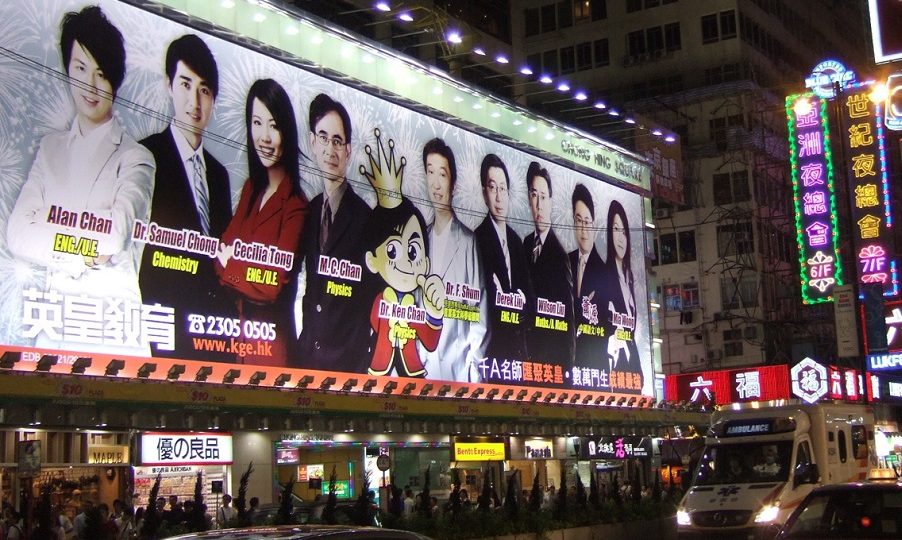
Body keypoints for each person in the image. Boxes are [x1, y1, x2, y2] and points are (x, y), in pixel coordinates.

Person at [7, 5, 154, 355]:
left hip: (111, 328)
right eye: (80, 68)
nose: (90, 85)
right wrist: (79, 255)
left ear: (115, 80)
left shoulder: (135, 157)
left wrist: (50, 226)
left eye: (101, 73)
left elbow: (114, 235)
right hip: (55, 324)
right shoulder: (51, 148)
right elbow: (17, 233)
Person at [139, 34, 235, 361]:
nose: (194, 101)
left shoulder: (219, 175)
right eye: (185, 84)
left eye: (204, 90)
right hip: (163, 330)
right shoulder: (146, 157)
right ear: (169, 85)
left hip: (215, 334)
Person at [215, 79, 308, 366]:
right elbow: (218, 252)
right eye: (257, 123)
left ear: (287, 132)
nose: (264, 137)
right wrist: (243, 266)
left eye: (274, 125)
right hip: (236, 342)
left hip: (273, 351)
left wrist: (232, 266)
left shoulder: (295, 205)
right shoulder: (250, 190)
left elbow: (273, 283)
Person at [359, 130, 444, 377]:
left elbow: (429, 341)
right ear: (372, 260)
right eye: (393, 250)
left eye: (414, 250)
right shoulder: (378, 301)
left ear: (425, 263)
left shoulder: (417, 304)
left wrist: (436, 313)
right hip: (377, 371)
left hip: (414, 375)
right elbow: (374, 324)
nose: (407, 260)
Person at [296, 93, 371, 373]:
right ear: (313, 142)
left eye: (338, 141)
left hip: (347, 365)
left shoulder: (364, 217)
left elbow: (368, 299)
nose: (331, 149)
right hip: (309, 360)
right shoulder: (310, 210)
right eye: (324, 138)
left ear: (348, 150)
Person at [418, 137, 487, 382]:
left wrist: (474, 373)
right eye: (430, 172)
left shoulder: (467, 241)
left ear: (453, 183)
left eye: (443, 174)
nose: (436, 184)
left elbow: (481, 313)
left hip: (459, 372)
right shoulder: (420, 240)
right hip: (422, 371)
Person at [474, 154, 533, 363]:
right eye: (492, 188)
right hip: (491, 357)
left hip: (519, 358)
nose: (499, 197)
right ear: (484, 193)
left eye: (503, 188)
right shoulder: (478, 239)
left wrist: (515, 298)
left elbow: (530, 303)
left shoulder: (517, 242)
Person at [523, 162, 575, 372]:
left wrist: (566, 372)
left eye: (543, 197)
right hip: (526, 361)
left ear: (551, 201)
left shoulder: (560, 256)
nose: (539, 205)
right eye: (534, 195)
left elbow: (569, 322)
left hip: (552, 365)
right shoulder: (525, 245)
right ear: (528, 198)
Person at [601, 200, 643, 394]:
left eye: (624, 231)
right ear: (609, 233)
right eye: (616, 229)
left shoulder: (629, 278)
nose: (620, 237)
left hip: (633, 371)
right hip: (615, 369)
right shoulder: (605, 276)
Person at [568, 184, 607, 370]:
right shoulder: (564, 261)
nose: (583, 229)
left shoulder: (605, 272)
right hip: (566, 362)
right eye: (578, 220)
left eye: (587, 221)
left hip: (594, 365)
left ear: (594, 223)